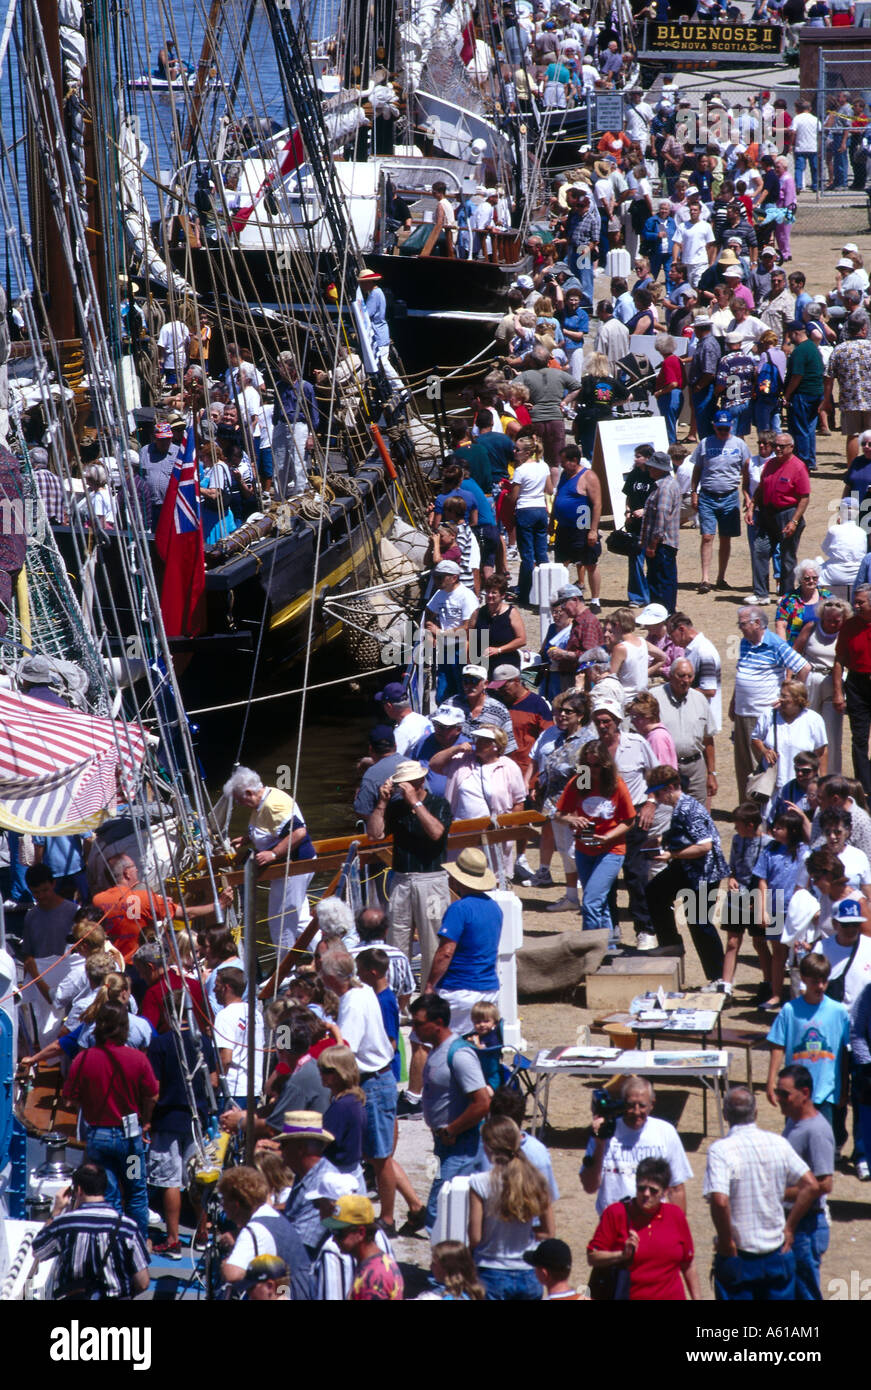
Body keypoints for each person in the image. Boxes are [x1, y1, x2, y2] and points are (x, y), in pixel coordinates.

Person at [704, 1085, 819, 1301]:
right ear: (755, 1113)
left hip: (739, 1253)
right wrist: (790, 1227)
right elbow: (811, 1185)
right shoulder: (778, 1143)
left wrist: (727, 1241)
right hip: (775, 1251)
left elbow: (720, 1201)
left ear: (725, 1114)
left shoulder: (721, 1150)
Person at [319, 949, 401, 1236]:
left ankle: (388, 1220)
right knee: (375, 1155)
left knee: (380, 1158)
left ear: (330, 976)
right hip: (376, 1079)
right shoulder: (362, 989)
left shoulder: (353, 1002)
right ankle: (401, 1209)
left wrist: (328, 1028)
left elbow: (345, 1050)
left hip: (373, 1082)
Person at [62, 1001, 158, 1239]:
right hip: (131, 1139)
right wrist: (146, 1120)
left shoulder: (83, 1060)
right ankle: (137, 1240)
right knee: (136, 1190)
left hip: (99, 1138)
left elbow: (70, 1101)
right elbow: (153, 1094)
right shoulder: (137, 1059)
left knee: (109, 1191)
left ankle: (112, 1244)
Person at [365, 758, 451, 990]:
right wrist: (382, 804)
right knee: (396, 940)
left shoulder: (438, 804)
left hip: (431, 881)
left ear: (420, 782)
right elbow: (374, 835)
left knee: (433, 938)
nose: (402, 788)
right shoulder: (395, 808)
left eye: (407, 784)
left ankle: (431, 994)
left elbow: (436, 833)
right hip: (402, 881)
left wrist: (415, 803)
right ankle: (397, 997)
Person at [412, 991, 491, 1228]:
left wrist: (452, 1130)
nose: (414, 1029)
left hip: (461, 1145)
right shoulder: (436, 1049)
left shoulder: (459, 1055)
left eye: (418, 1024)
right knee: (447, 1205)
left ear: (438, 1023)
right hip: (443, 1144)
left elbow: (482, 1102)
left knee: (438, 1209)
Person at [645, 763, 728, 984]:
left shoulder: (689, 808)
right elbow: (682, 834)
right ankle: (670, 945)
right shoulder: (679, 807)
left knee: (699, 922)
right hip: (688, 867)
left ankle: (719, 978)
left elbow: (704, 846)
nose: (657, 797)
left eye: (659, 792)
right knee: (654, 891)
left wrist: (671, 854)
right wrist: (661, 841)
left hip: (705, 873)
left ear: (672, 787)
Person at [224, 766, 315, 954]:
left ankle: (285, 971)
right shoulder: (261, 802)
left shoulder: (273, 805)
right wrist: (247, 839)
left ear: (249, 793)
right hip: (285, 869)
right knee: (300, 921)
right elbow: (269, 829)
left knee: (280, 922)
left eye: (239, 800)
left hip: (293, 868)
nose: (239, 804)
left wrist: (273, 854)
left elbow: (299, 832)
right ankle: (328, 954)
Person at [30, 1162, 150, 1300]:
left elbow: (38, 1250)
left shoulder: (64, 1224)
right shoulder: (128, 1227)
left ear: (79, 1190)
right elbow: (143, 1283)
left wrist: (56, 1211)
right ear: (104, 1188)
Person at [556, 739, 635, 946]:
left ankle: (588, 947)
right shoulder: (581, 781)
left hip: (611, 849)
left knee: (591, 902)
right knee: (599, 903)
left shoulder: (616, 784)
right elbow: (559, 814)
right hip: (584, 848)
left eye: (597, 765)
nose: (592, 770)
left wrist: (609, 836)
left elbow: (629, 820)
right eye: (588, 764)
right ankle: (608, 945)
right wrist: (572, 819)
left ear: (606, 765)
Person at [587, 1156, 700, 1301]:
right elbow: (593, 1257)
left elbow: (688, 1263)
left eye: (653, 1190)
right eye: (641, 1188)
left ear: (665, 1192)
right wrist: (621, 1255)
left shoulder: (675, 1215)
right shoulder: (616, 1213)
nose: (646, 1194)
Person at [467, 1115, 553, 1301]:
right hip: (529, 1272)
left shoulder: (479, 1183)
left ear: (488, 1147)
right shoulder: (537, 1181)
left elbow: (475, 1237)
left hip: (491, 1271)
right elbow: (549, 1231)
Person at [580, 1074, 692, 1215]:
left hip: (653, 1222)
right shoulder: (604, 1132)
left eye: (642, 1105)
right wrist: (599, 1144)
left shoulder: (666, 1132)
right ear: (622, 1103)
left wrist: (678, 1230)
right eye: (631, 1105)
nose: (636, 1112)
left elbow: (676, 1189)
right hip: (613, 1222)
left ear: (652, 1104)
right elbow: (589, 1187)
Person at [730, 607, 810, 800]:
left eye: (742, 624)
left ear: (757, 623)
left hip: (761, 715)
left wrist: (790, 698)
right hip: (742, 713)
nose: (740, 628)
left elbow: (804, 668)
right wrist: (734, 701)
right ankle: (746, 810)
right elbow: (742, 673)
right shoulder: (744, 643)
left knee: (760, 766)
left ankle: (762, 811)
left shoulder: (775, 644)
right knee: (743, 766)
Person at [774, 1063, 835, 1301]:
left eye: (784, 1094)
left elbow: (824, 1184)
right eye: (778, 1092)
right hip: (795, 1221)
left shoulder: (816, 1131)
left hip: (806, 1226)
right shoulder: (793, 1121)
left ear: (805, 1093)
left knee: (805, 1293)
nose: (779, 1099)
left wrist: (778, 1192)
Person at [423, 847, 502, 1032]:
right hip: (488, 988)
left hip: (459, 990)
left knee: (430, 1042)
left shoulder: (459, 909)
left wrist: (429, 985)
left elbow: (446, 952)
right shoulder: (495, 908)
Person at [766, 953, 851, 1126]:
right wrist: (771, 1081)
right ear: (804, 979)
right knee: (795, 1137)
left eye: (823, 981)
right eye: (814, 982)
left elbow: (844, 1052)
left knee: (825, 1140)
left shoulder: (838, 1012)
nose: (820, 986)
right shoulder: (790, 1010)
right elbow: (777, 1046)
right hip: (795, 1091)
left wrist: (844, 1087)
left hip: (827, 1090)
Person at [219, 1165, 313, 1298]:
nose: (223, 1205)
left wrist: (225, 1263)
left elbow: (232, 1273)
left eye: (224, 1200)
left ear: (236, 1205)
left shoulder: (255, 1230)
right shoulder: (272, 1215)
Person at [690, 410, 749, 594]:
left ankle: (721, 577)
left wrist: (747, 495)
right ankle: (705, 579)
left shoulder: (740, 444)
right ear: (713, 426)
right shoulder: (705, 443)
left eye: (725, 428)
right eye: (719, 428)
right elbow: (697, 469)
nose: (722, 431)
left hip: (730, 496)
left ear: (731, 426)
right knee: (707, 536)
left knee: (726, 537)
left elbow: (747, 471)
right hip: (707, 495)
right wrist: (694, 492)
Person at [652, 658, 717, 806]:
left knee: (697, 815)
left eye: (690, 676)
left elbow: (708, 740)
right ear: (671, 675)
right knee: (667, 813)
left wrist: (711, 774)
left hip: (695, 769)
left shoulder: (700, 699)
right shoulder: (655, 698)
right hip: (666, 769)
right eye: (681, 676)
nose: (686, 680)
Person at [322, 1194, 404, 1300]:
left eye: (339, 1233)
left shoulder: (374, 1278)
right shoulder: (377, 1263)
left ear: (361, 1232)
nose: (334, 1239)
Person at [551, 445, 602, 610]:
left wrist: (593, 530)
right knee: (561, 563)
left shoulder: (589, 476)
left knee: (589, 562)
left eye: (564, 461)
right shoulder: (565, 475)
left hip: (582, 524)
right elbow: (558, 496)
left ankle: (595, 600)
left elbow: (597, 504)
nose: (562, 465)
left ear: (574, 460)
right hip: (564, 526)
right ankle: (563, 597)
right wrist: (551, 520)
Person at [833, 585, 871, 797]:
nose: (855, 606)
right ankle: (864, 789)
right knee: (859, 739)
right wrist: (838, 692)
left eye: (860, 602)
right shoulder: (849, 626)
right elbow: (839, 660)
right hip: (857, 685)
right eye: (855, 602)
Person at [822, 310, 871, 470]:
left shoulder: (840, 350)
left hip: (849, 401)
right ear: (864, 329)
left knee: (853, 436)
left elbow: (828, 377)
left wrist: (826, 400)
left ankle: (852, 472)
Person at [213, 966, 265, 1107]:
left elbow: (226, 1057)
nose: (213, 990)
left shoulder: (224, 1016)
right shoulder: (256, 1014)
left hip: (231, 1092)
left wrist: (215, 1083)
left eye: (216, 986)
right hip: (253, 1089)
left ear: (226, 987)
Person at [473, 575, 527, 677]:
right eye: (487, 592)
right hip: (483, 665)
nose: (489, 595)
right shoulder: (478, 613)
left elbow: (522, 640)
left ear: (502, 595)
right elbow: (470, 637)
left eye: (494, 592)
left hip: (506, 664)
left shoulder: (512, 613)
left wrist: (499, 650)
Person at [775, 560, 833, 645]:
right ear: (800, 579)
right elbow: (780, 625)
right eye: (807, 578)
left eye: (814, 578)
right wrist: (784, 648)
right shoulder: (789, 599)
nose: (811, 581)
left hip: (822, 645)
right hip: (796, 648)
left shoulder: (827, 597)